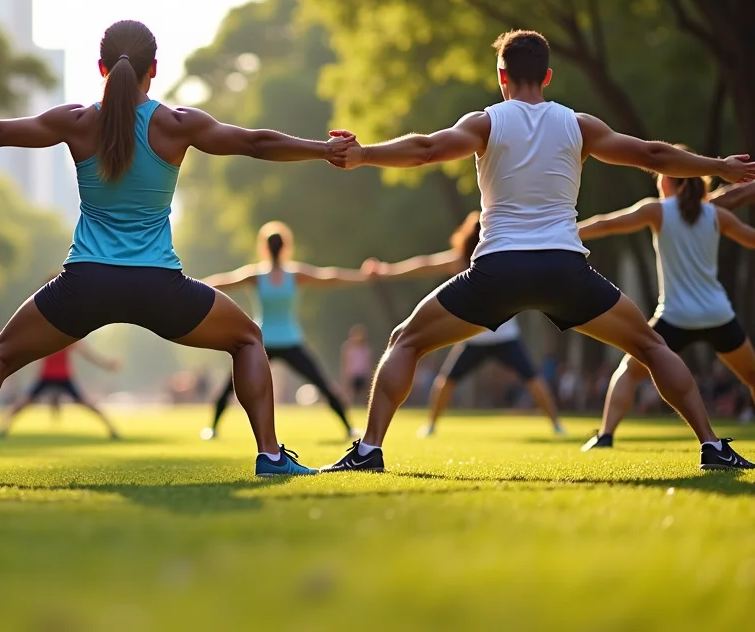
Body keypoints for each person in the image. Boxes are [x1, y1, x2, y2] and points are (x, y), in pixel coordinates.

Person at [0, 20, 356, 478]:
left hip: (85, 283)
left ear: (101, 68)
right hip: (158, 286)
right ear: (153, 69)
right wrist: (322, 149)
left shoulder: (76, 122)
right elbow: (256, 143)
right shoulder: (177, 125)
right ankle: (271, 456)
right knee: (248, 339)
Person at [321, 29, 755, 473]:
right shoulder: (578, 125)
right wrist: (716, 166)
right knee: (652, 345)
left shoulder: (485, 123)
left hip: (498, 271)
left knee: (405, 341)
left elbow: (425, 150)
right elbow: (653, 154)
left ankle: (370, 451)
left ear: (501, 76)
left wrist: (364, 154)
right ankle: (712, 447)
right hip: (564, 269)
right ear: (547, 76)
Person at [576, 156, 755, 449]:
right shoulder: (715, 214)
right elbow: (751, 239)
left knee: (629, 371)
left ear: (673, 178)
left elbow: (606, 224)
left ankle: (605, 436)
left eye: (661, 175)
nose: (658, 180)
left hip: (675, 316)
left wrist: (563, 233)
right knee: (752, 375)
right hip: (718, 314)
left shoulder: (657, 211)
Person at [363, 211, 565, 437]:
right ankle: (431, 424)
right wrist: (388, 270)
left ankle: (431, 425)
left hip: (495, 335)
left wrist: (386, 270)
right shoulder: (474, 259)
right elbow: (427, 264)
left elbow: (426, 264)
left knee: (451, 381)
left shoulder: (495, 257)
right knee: (453, 380)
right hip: (482, 337)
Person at [200, 221, 361, 440]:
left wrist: (183, 285)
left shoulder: (258, 275)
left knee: (232, 385)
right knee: (322, 383)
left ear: (265, 248)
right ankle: (349, 428)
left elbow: (223, 282)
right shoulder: (293, 274)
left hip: (263, 341)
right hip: (284, 341)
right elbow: (329, 276)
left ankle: (212, 429)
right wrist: (363, 275)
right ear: (285, 247)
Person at [0, 340, 122, 439]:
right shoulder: (45, 337)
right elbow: (24, 348)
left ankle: (112, 429)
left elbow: (88, 354)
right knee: (22, 402)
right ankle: (3, 429)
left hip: (64, 376)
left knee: (86, 403)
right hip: (45, 376)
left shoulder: (70, 338)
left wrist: (107, 364)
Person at [341, 324, 374, 405]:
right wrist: (345, 376)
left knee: (364, 394)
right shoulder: (349, 348)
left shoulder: (366, 348)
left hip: (363, 374)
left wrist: (370, 375)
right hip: (353, 374)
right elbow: (346, 363)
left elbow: (369, 362)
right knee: (352, 394)